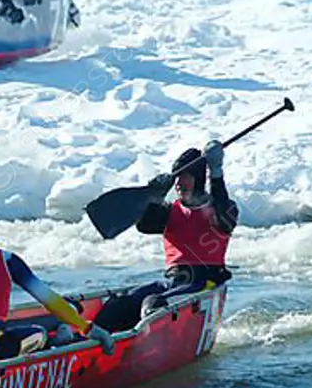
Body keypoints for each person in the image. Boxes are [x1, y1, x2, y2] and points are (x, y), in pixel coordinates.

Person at [0, 211, 115, 359]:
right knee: (39, 333)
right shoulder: (7, 259)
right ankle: (60, 340)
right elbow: (48, 299)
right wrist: (87, 328)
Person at [95, 142, 238, 332]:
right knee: (118, 304)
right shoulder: (169, 211)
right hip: (172, 282)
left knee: (154, 305)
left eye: (185, 176)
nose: (179, 184)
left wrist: (216, 173)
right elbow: (145, 225)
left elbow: (224, 212)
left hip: (204, 283)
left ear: (199, 179)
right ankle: (88, 342)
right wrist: (154, 196)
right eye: (176, 177)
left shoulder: (223, 210)